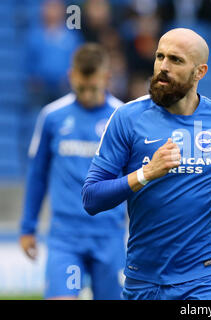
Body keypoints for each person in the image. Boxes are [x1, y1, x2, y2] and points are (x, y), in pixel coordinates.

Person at [81, 28, 211, 300]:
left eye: (175, 60)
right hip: (143, 278)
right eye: (160, 57)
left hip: (206, 278)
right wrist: (145, 174)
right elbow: (92, 198)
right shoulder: (127, 118)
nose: (163, 67)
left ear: (200, 72)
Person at [19, 44, 127, 300]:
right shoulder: (52, 116)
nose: (88, 94)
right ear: (71, 76)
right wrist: (28, 227)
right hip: (65, 235)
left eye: (94, 88)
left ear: (106, 78)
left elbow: (135, 180)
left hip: (109, 235)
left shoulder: (122, 117)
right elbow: (37, 176)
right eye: (81, 87)